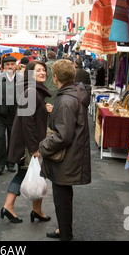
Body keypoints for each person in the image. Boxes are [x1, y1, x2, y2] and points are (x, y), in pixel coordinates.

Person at [39, 59, 91, 241]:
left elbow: (63, 135)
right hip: (72, 154)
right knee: (63, 198)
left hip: (67, 157)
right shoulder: (74, 93)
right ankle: (63, 231)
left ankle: (65, 235)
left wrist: (44, 146)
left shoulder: (67, 99)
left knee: (62, 199)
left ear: (55, 77)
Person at [0, 60, 52, 223]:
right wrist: (33, 148)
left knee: (35, 173)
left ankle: (36, 210)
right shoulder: (31, 91)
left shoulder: (35, 91)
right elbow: (27, 122)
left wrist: (45, 107)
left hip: (32, 142)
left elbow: (34, 115)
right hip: (28, 144)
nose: (42, 73)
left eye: (44, 70)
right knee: (26, 173)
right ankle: (9, 206)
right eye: (38, 71)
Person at [0, 55, 19, 175]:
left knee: (13, 140)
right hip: (0, 115)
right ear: (3, 66)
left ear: (16, 66)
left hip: (14, 115)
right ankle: (0, 165)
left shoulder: (22, 79)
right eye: (7, 64)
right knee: (1, 139)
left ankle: (11, 162)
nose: (10, 66)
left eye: (12, 64)